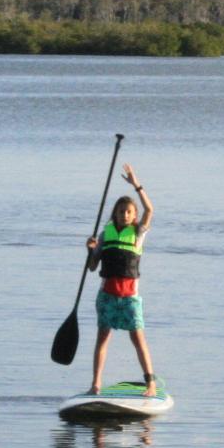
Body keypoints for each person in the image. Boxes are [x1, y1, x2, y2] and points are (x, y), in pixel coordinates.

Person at [85, 164, 157, 397]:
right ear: (114, 214)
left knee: (138, 339)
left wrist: (136, 184)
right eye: (121, 211)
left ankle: (150, 384)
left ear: (134, 216)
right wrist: (90, 250)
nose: (125, 215)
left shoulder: (137, 234)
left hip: (129, 298)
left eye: (129, 212)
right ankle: (96, 384)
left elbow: (150, 209)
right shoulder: (106, 235)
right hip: (106, 296)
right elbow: (93, 267)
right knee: (102, 339)